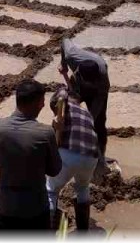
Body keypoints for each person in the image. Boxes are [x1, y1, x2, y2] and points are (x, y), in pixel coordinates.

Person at [0, 79, 63, 234]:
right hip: (34, 209)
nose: (43, 105)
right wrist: (57, 133)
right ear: (35, 103)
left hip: (5, 205)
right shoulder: (45, 133)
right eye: (42, 101)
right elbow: (54, 170)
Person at [46, 82, 98, 231]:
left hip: (69, 152)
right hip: (91, 157)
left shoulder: (64, 105)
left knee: (51, 190)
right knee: (82, 187)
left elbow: (61, 95)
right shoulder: (87, 114)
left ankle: (48, 231)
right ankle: (82, 231)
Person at [59, 39, 111, 180]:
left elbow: (96, 109)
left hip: (97, 93)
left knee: (99, 124)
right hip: (78, 84)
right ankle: (68, 151)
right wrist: (63, 65)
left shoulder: (102, 81)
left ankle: (100, 160)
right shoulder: (71, 56)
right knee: (66, 112)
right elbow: (64, 41)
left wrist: (88, 121)